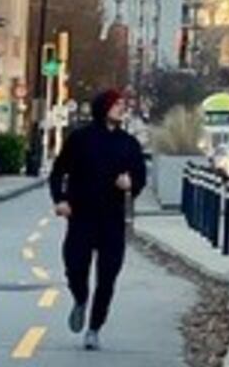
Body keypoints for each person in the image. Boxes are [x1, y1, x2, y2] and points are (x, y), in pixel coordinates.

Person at [46, 88, 151, 349]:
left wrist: (130, 184)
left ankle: (94, 328)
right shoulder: (80, 139)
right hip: (81, 215)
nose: (121, 109)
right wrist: (60, 199)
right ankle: (80, 298)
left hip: (112, 220)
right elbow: (58, 171)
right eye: (116, 104)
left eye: (122, 105)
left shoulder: (128, 144)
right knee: (75, 266)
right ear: (103, 107)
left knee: (107, 277)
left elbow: (140, 177)